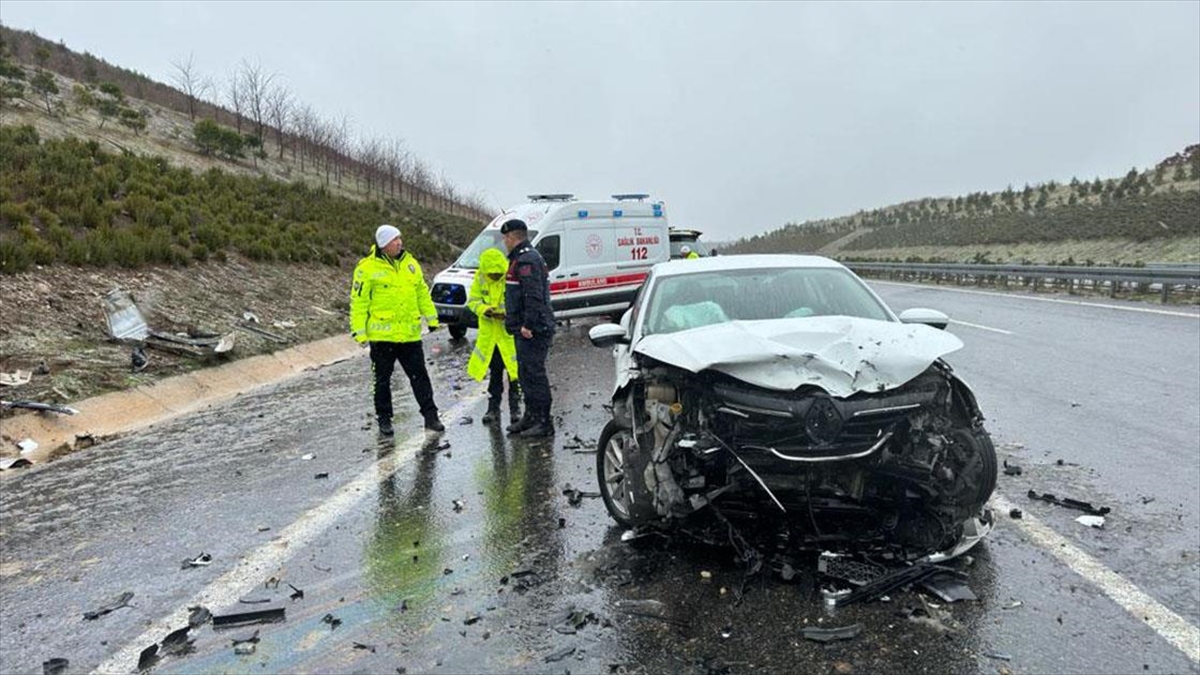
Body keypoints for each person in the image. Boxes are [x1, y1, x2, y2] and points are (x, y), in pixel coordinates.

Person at [349, 224, 445, 436]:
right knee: (382, 381)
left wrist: (431, 317)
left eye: (400, 238)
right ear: (383, 244)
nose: (399, 242)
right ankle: (384, 419)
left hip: (410, 336)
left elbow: (421, 292)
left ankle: (431, 417)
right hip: (382, 337)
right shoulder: (366, 268)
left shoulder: (411, 264)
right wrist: (359, 331)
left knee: (420, 377)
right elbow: (359, 302)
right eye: (394, 239)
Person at [500, 219, 556, 437]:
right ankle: (531, 416)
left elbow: (533, 295)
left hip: (534, 329)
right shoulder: (522, 258)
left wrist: (528, 324)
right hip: (524, 328)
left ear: (512, 237)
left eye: (505, 238)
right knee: (525, 374)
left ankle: (544, 422)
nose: (504, 242)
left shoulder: (526, 260)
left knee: (534, 375)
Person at [466, 247, 521, 426]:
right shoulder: (480, 278)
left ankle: (515, 410)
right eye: (493, 274)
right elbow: (473, 301)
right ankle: (493, 409)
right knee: (495, 374)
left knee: (514, 374)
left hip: (508, 335)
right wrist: (485, 310)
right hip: (491, 336)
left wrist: (507, 314)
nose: (496, 277)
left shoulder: (511, 277)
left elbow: (519, 303)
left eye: (498, 274)